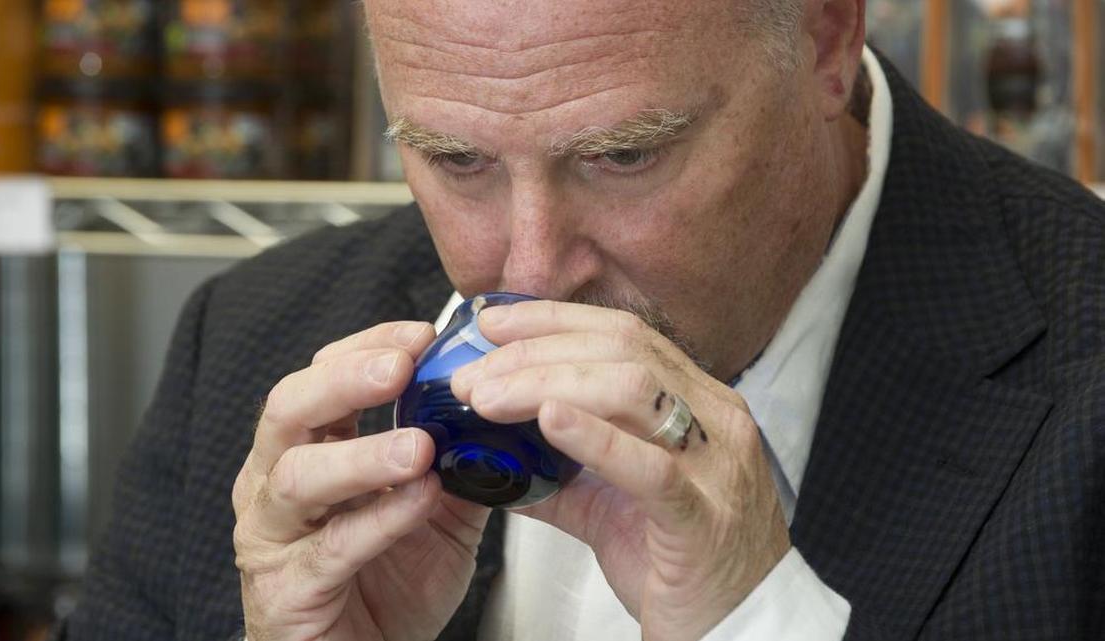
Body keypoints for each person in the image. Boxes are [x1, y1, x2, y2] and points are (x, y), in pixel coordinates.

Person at [60, 0, 1105, 639]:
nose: (525, 269)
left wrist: (755, 627)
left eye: (624, 155)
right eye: (455, 160)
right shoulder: (248, 343)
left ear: (827, 35)